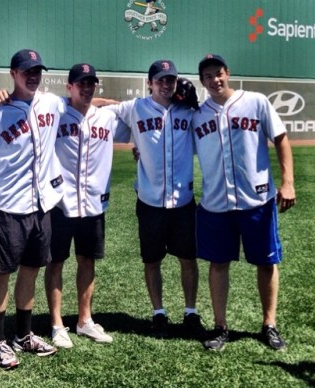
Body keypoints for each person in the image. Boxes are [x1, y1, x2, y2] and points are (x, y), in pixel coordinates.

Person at [193, 54, 296, 352]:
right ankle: (220, 326)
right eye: (208, 76)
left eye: (219, 73)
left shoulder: (256, 101)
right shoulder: (197, 114)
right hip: (216, 203)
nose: (215, 80)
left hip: (258, 199)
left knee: (266, 261)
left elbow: (280, 137)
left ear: (228, 73)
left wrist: (287, 182)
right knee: (218, 263)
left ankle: (269, 325)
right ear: (202, 81)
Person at [0, 49, 64, 368]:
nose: (33, 75)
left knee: (31, 269)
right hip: (7, 207)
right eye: (26, 70)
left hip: (41, 205)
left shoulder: (52, 103)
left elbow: (85, 105)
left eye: (37, 70)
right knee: (2, 273)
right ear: (13, 73)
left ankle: (23, 335)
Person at [106, 60, 202, 338]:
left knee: (188, 258)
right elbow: (91, 108)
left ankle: (190, 312)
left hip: (182, 200)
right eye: (160, 79)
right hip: (149, 202)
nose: (166, 84)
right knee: (152, 260)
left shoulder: (188, 111)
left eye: (170, 79)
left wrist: (195, 105)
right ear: (149, 83)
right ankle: (158, 312)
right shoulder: (135, 108)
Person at [44, 63, 130, 349]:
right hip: (60, 204)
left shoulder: (108, 118)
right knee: (55, 263)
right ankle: (57, 324)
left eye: (91, 82)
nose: (87, 87)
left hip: (93, 204)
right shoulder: (55, 112)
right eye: (81, 83)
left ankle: (84, 321)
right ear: (69, 87)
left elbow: (133, 114)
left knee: (87, 261)